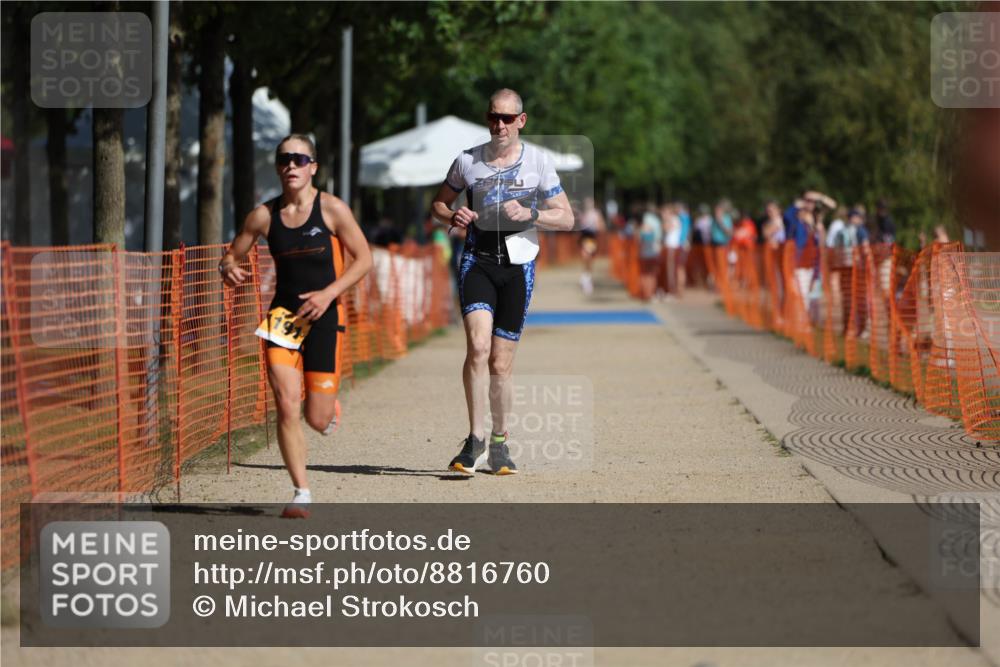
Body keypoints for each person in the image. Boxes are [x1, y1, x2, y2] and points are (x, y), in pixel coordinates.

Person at [219, 134, 373, 518]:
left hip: (324, 316)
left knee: (316, 419)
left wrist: (328, 294)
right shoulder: (263, 216)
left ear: (313, 167)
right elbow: (232, 255)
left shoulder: (333, 209)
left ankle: (326, 407)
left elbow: (364, 258)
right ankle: (301, 492)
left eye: (300, 159)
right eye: (285, 159)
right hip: (284, 318)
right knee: (285, 403)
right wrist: (228, 267)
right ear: (277, 166)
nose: (291, 165)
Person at [430, 88, 574, 475]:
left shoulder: (539, 163)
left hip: (518, 266)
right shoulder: (468, 161)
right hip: (477, 260)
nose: (500, 125)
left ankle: (499, 442)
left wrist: (531, 212)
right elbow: (439, 203)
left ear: (521, 121)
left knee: (500, 361)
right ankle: (474, 440)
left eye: (508, 118)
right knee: (477, 346)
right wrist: (452, 216)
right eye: (494, 116)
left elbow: (566, 218)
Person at [578, 196, 605, 296]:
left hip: (590, 238)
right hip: (583, 237)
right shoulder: (583, 213)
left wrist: (596, 226)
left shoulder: (595, 213)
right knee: (585, 258)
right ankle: (586, 277)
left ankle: (587, 278)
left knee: (588, 258)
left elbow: (601, 226)